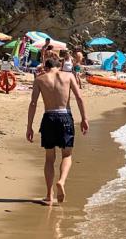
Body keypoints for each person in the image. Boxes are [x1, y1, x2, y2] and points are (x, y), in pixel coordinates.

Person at [26, 57, 89, 206]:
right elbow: (79, 98)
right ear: (59, 66)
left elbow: (33, 103)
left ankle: (49, 195)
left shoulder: (40, 79)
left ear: (46, 67)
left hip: (49, 117)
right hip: (65, 116)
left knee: (49, 158)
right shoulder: (69, 76)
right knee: (67, 154)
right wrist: (84, 119)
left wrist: (29, 126)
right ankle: (61, 181)